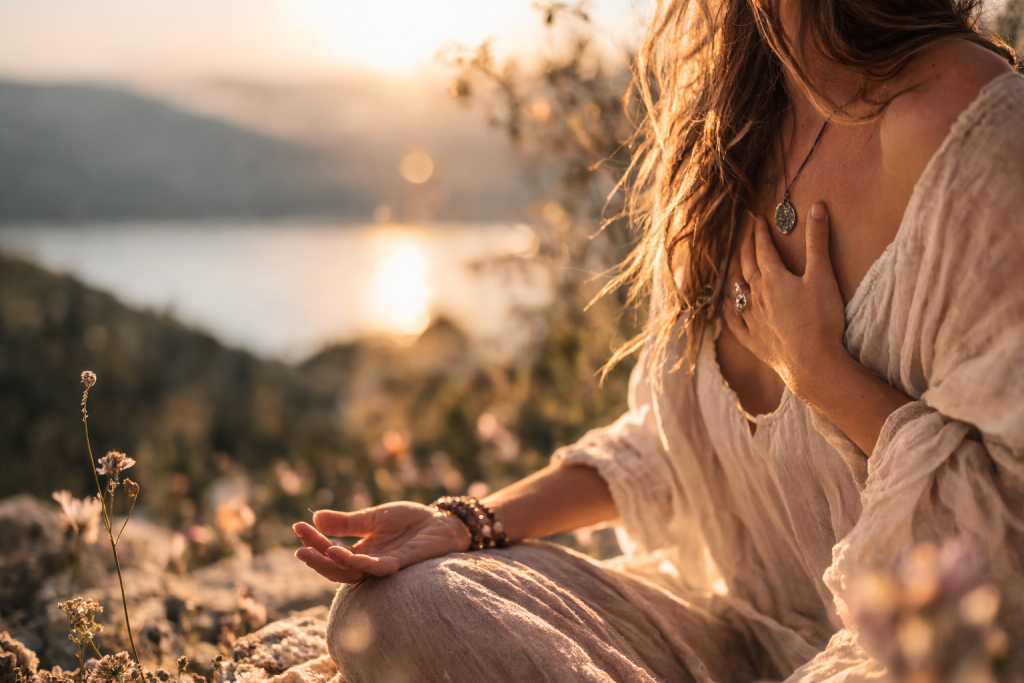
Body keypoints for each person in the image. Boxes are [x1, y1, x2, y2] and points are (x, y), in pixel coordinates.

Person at [294, 0, 1024, 680]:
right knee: (397, 609)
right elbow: (671, 443)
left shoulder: (969, 125)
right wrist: (466, 523)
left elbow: (1009, 532)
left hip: (917, 645)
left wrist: (823, 374)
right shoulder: (733, 124)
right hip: (734, 639)